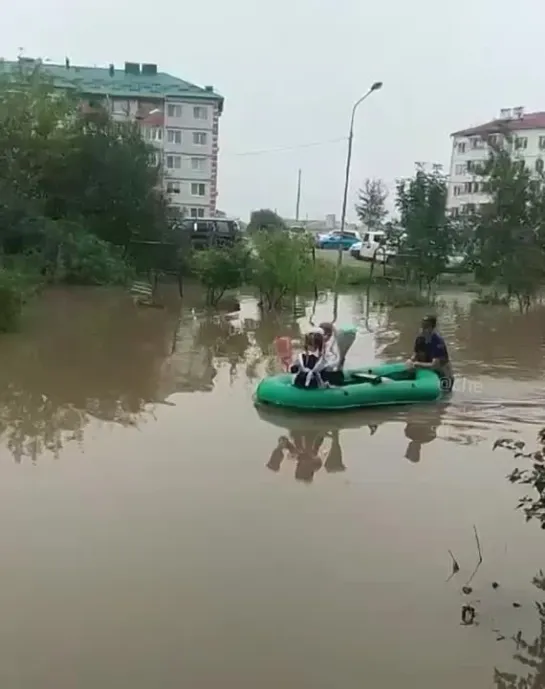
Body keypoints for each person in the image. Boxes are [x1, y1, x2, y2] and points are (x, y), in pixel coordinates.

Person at [406, 315, 454, 392]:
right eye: (422, 326)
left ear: (432, 328)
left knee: (444, 398)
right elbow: (415, 355)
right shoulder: (419, 339)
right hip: (428, 369)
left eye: (426, 327)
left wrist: (417, 364)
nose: (423, 329)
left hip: (443, 374)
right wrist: (410, 361)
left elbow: (434, 365)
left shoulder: (438, 342)